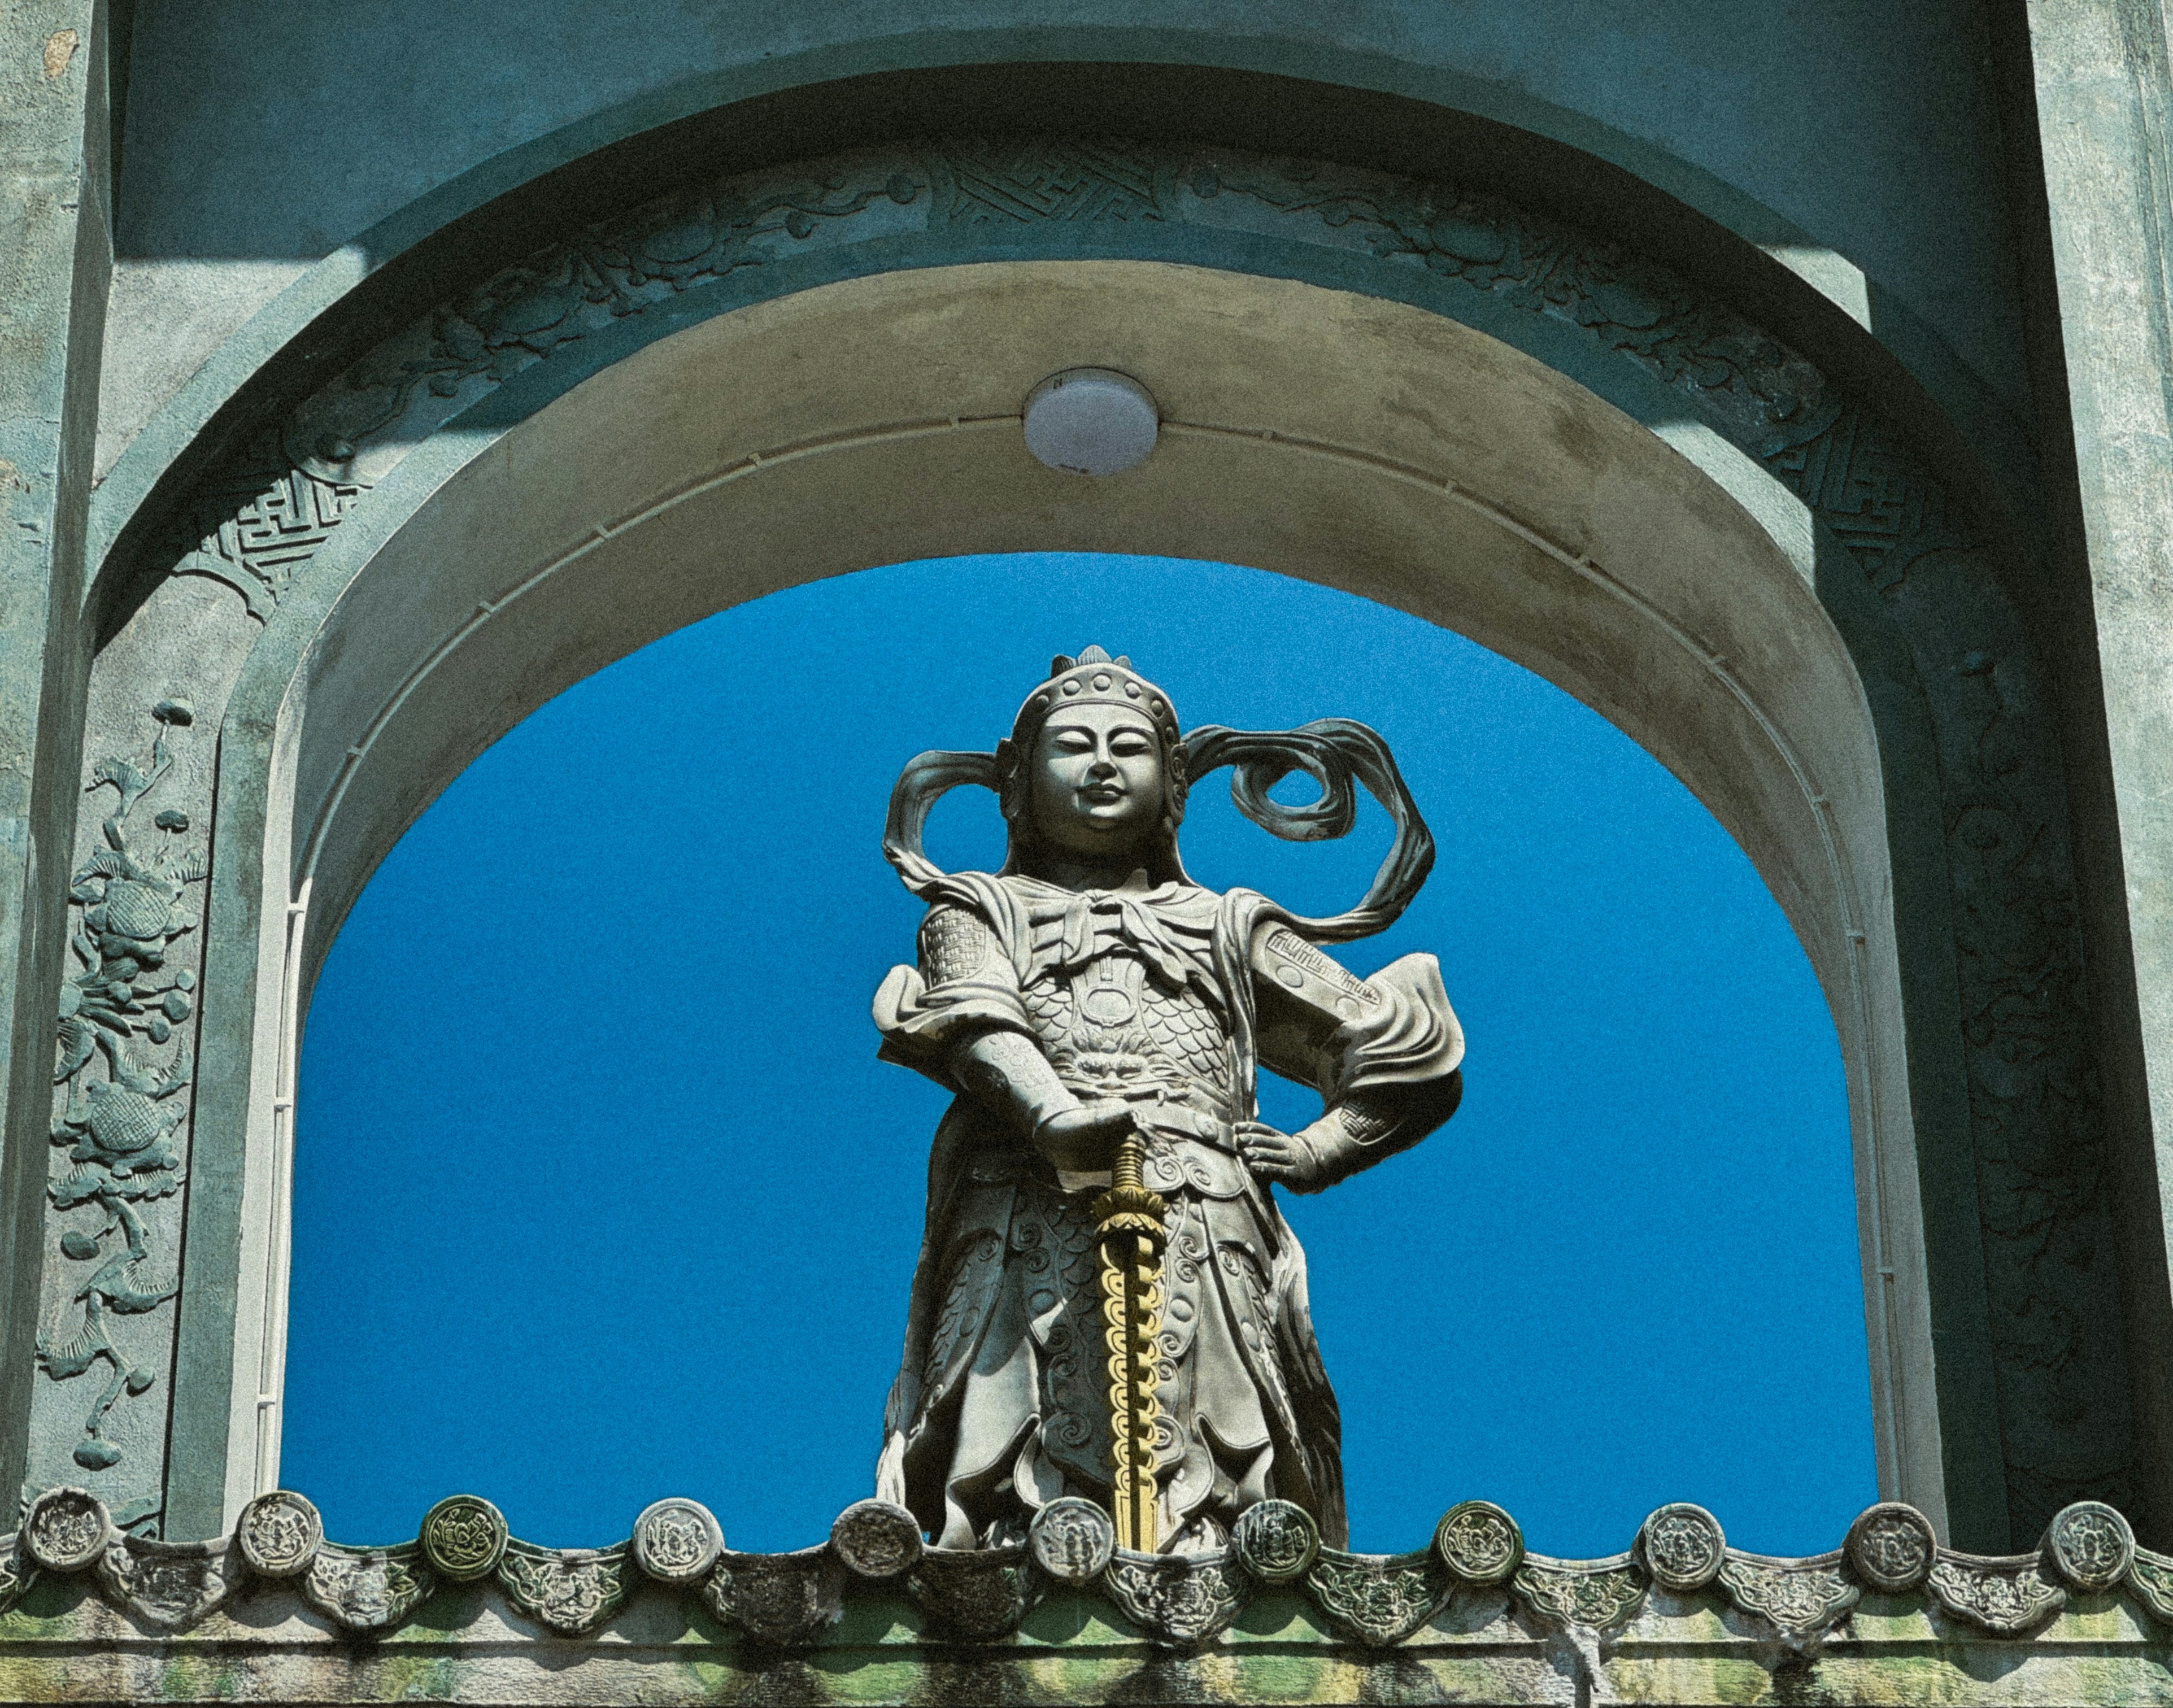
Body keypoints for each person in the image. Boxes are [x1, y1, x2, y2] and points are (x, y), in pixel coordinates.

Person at [872, 647, 1463, 1552]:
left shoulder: (1228, 925)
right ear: (1022, 786)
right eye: (1073, 745)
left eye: (1129, 748)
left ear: (1172, 786)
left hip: (1207, 1209)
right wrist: (1053, 1117)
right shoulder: (975, 907)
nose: (1103, 762)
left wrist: (1322, 1149)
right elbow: (974, 1016)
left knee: (1222, 1458)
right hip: (1020, 1207)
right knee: (997, 1453)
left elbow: (1405, 1048)